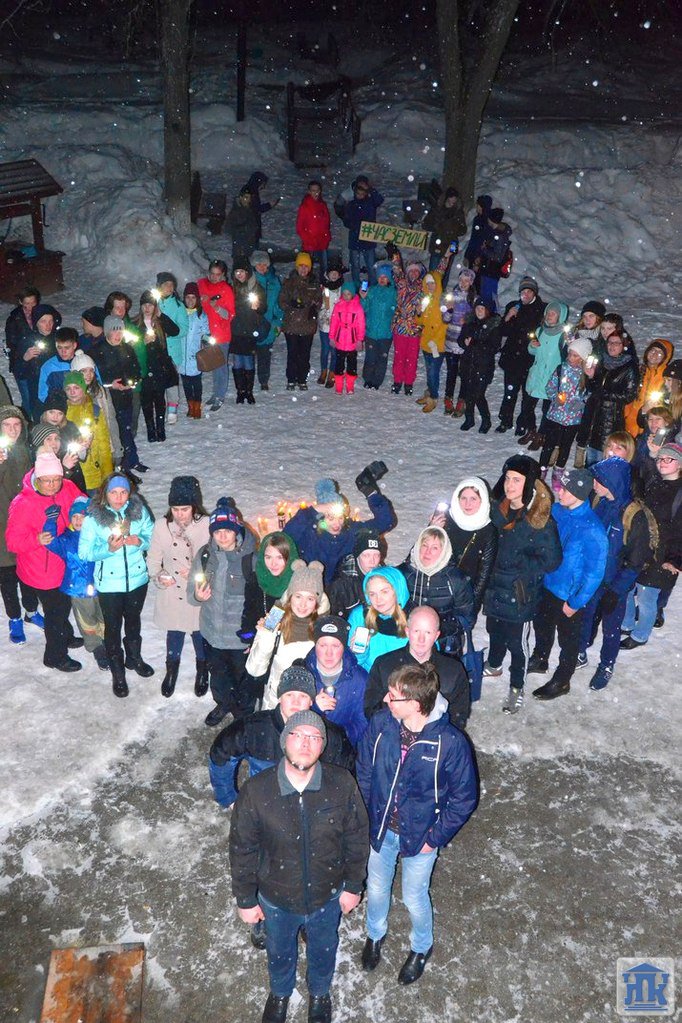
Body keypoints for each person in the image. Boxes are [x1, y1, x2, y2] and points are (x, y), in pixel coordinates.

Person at [229, 710, 368, 1023]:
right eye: (298, 735)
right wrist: (246, 899)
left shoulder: (341, 784)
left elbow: (357, 838)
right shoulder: (257, 791)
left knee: (323, 948)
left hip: (326, 896)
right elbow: (242, 849)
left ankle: (319, 992)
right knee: (279, 951)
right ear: (284, 741)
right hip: (276, 898)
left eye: (314, 737)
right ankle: (280, 993)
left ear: (322, 745)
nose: (306, 743)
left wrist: (353, 885)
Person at [356, 662, 477, 985]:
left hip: (421, 837)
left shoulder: (450, 743)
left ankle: (421, 947)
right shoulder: (381, 724)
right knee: (377, 888)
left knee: (413, 896)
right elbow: (365, 769)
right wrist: (368, 814)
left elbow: (464, 799)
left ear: (415, 704)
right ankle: (375, 934)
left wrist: (434, 838)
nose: (385, 700)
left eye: (393, 696)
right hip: (381, 828)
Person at [209, 663, 355, 807]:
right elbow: (220, 754)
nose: (296, 702)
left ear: (312, 701)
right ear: (279, 697)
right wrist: (228, 798)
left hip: (310, 810)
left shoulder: (332, 736)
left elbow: (346, 777)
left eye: (303, 696)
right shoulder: (253, 728)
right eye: (289, 694)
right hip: (264, 807)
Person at [483, 455, 562, 714]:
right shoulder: (496, 510)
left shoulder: (539, 519)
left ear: (529, 483)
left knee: (517, 645)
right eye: (507, 478)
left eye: (517, 480)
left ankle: (516, 687)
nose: (509, 485)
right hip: (495, 587)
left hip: (519, 594)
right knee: (494, 630)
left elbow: (552, 561)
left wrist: (520, 564)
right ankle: (494, 664)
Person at [527, 469, 608, 701]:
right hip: (547, 584)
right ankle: (540, 657)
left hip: (568, 595)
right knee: (542, 624)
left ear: (579, 493)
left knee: (569, 640)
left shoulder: (593, 530)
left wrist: (575, 602)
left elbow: (594, 573)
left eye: (565, 489)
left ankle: (562, 680)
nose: (559, 493)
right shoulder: (557, 511)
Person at [576, 456, 653, 691]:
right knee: (584, 617)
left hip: (615, 584)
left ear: (612, 482)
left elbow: (635, 562)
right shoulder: (598, 502)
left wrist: (616, 590)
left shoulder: (633, 516)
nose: (594, 484)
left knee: (611, 628)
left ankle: (606, 665)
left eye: (599, 480)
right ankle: (580, 651)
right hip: (592, 579)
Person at [6, 451, 85, 671]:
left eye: (56, 479)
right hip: (40, 570)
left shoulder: (67, 487)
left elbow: (82, 503)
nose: (52, 485)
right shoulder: (23, 503)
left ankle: (65, 636)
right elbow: (12, 542)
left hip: (64, 563)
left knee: (62, 606)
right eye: (47, 481)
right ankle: (55, 656)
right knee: (55, 613)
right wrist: (37, 539)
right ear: (37, 479)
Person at [78, 473, 154, 695]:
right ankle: (117, 671)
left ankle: (134, 658)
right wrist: (108, 549)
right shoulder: (94, 519)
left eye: (123, 492)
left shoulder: (139, 512)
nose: (119, 498)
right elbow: (84, 553)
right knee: (112, 628)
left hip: (137, 580)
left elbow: (152, 536)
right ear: (105, 493)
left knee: (133, 621)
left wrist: (140, 541)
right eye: (114, 492)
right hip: (110, 586)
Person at [187, 497, 256, 727]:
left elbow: (260, 601)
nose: (223, 536)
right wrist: (198, 597)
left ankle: (243, 716)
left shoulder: (252, 559)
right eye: (217, 531)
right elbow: (191, 593)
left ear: (237, 530)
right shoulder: (205, 555)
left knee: (243, 681)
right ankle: (223, 704)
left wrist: (254, 635)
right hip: (212, 634)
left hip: (239, 639)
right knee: (218, 677)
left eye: (227, 530)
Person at [147, 476, 210, 698]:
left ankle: (202, 669)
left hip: (198, 590)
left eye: (185, 509)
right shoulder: (161, 527)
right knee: (174, 632)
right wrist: (159, 575)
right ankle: (171, 670)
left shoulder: (206, 525)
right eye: (175, 509)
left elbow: (215, 559)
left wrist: (197, 572)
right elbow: (153, 559)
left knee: (199, 633)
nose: (180, 514)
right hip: (173, 592)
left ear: (194, 506)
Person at [364, 605, 471, 729]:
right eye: (416, 631)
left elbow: (458, 718)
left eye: (428, 632)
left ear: (436, 636)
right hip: (392, 734)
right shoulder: (384, 664)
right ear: (407, 632)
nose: (421, 639)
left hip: (435, 738)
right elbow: (371, 711)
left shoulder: (453, 670)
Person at [284, 467, 395, 584]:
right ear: (320, 517)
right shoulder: (309, 533)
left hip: (343, 591)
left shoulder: (351, 531)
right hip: (310, 588)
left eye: (340, 518)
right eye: (331, 518)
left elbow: (385, 522)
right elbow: (285, 537)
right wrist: (313, 510)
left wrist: (370, 493)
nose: (337, 523)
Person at [620, 443, 682, 650]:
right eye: (660, 459)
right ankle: (627, 623)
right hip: (641, 547)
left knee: (647, 597)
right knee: (627, 587)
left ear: (680, 464)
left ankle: (640, 635)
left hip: (662, 555)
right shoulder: (654, 482)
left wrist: (674, 559)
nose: (662, 463)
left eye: (668, 459)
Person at [249, 559, 327, 712]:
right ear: (290, 596)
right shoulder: (274, 617)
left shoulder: (325, 628)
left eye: (310, 598)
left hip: (308, 707)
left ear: (317, 602)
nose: (303, 604)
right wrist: (267, 635)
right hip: (274, 702)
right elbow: (254, 669)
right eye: (298, 596)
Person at [46, 496, 109, 670]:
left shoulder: (98, 537)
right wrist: (50, 522)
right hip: (78, 589)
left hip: (101, 586)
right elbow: (50, 542)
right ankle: (96, 647)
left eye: (82, 516)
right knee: (87, 620)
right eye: (74, 516)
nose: (78, 520)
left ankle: (106, 640)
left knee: (104, 616)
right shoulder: (66, 540)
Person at [0, 405, 42, 644]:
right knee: (7, 575)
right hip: (2, 526)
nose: (13, 429)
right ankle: (14, 617)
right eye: (7, 425)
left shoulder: (26, 450)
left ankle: (31, 611)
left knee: (27, 571)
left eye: (16, 425)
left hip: (25, 523)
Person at [398, 526, 475, 655]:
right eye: (424, 545)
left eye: (434, 548)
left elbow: (466, 618)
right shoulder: (405, 574)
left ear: (444, 551)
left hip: (444, 645)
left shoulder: (456, 579)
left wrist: (436, 630)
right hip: (408, 639)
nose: (427, 552)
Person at [430, 477, 498, 616]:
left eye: (473, 499)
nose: (467, 503)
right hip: (436, 590)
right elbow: (423, 552)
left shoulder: (488, 530)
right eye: (463, 498)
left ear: (482, 500)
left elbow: (483, 574)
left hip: (464, 595)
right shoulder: (446, 520)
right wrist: (432, 530)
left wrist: (471, 605)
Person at [89, 316, 144, 474]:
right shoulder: (96, 351)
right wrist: (109, 384)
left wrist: (131, 382)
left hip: (125, 397)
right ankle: (116, 465)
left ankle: (131, 461)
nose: (118, 335)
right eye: (115, 331)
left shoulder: (127, 349)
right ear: (107, 332)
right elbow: (94, 378)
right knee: (112, 433)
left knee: (126, 431)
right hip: (107, 400)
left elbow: (136, 370)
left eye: (120, 331)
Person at [305, 615, 369, 747]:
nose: (329, 653)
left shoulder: (360, 679)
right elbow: (292, 717)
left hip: (342, 750)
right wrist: (315, 708)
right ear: (315, 645)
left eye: (335, 646)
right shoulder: (302, 674)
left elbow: (362, 722)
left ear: (344, 647)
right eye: (323, 645)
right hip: (306, 747)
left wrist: (336, 739)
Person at [537, 337, 592, 491]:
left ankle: (558, 472)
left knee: (565, 446)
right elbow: (550, 387)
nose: (570, 358)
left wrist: (581, 402)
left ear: (583, 358)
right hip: (555, 415)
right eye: (570, 354)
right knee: (549, 445)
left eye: (575, 355)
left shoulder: (587, 374)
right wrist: (555, 398)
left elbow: (590, 392)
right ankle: (541, 471)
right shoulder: (561, 369)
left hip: (573, 419)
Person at [496, 276, 546, 434]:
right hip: (512, 358)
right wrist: (508, 317)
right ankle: (505, 420)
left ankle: (522, 423)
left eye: (529, 291)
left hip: (530, 360)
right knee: (509, 392)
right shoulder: (514, 307)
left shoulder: (542, 309)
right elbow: (503, 331)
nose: (526, 294)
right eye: (523, 291)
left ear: (534, 293)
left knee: (527, 395)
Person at [580, 329, 638, 467]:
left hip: (611, 419)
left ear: (624, 345)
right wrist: (591, 377)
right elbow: (593, 388)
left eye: (616, 343)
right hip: (594, 416)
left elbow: (629, 396)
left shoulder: (629, 367)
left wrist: (604, 394)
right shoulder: (602, 361)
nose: (612, 346)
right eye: (610, 342)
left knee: (604, 459)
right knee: (590, 461)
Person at [129, 290, 180, 443]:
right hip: (143, 367)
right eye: (144, 305)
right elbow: (129, 347)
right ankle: (150, 429)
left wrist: (161, 316)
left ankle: (160, 428)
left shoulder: (160, 322)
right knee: (146, 400)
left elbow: (175, 331)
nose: (147, 308)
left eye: (150, 305)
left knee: (159, 399)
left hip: (159, 367)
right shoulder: (134, 323)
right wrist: (142, 342)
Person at [518, 300, 570, 448]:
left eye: (553, 313)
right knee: (527, 406)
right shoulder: (540, 331)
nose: (549, 315)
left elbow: (568, 356)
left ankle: (541, 436)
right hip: (536, 374)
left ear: (560, 316)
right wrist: (532, 346)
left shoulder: (564, 335)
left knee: (547, 410)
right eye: (548, 312)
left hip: (552, 378)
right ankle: (531, 431)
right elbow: (532, 351)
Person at [347, 566, 409, 671]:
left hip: (406, 678)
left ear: (397, 590)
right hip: (369, 676)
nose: (378, 599)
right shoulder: (360, 616)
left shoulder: (415, 617)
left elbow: (429, 659)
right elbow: (350, 665)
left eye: (384, 592)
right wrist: (358, 653)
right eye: (372, 594)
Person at [63, 370, 114, 496]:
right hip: (70, 477)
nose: (72, 392)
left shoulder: (95, 411)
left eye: (76, 388)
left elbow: (103, 445)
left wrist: (107, 476)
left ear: (83, 388)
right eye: (68, 389)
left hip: (93, 475)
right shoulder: (60, 412)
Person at [278, 252, 323, 391]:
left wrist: (314, 306)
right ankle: (291, 379)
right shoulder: (289, 283)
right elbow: (281, 301)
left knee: (304, 354)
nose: (303, 269)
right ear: (297, 267)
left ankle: (302, 379)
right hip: (291, 325)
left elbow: (319, 301)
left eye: (306, 266)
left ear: (309, 268)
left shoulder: (314, 284)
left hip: (307, 325)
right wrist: (291, 305)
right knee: (292, 353)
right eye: (301, 266)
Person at [457, 295, 501, 433]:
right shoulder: (470, 323)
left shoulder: (493, 326)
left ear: (487, 310)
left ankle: (486, 420)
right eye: (477, 308)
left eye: (482, 308)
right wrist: (464, 342)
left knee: (478, 395)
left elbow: (494, 347)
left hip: (483, 367)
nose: (479, 311)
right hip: (468, 364)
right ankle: (469, 418)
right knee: (468, 394)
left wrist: (475, 343)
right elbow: (461, 339)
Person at [71, 349, 122, 467]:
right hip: (83, 450)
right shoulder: (70, 395)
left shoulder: (101, 392)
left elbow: (111, 420)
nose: (88, 375)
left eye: (91, 370)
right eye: (83, 371)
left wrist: (117, 447)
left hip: (103, 444)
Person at [414, 256, 452, 412]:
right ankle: (430, 392)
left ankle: (434, 398)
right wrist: (418, 313)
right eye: (428, 283)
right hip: (426, 342)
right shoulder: (425, 300)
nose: (430, 286)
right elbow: (419, 321)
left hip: (438, 344)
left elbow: (447, 319)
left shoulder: (443, 300)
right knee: (429, 370)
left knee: (433, 372)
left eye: (433, 283)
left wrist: (449, 309)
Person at [197, 260, 236, 411]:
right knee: (213, 364)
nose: (214, 277)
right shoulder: (202, 285)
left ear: (223, 275)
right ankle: (215, 393)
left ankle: (220, 395)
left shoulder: (226, 290)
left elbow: (230, 315)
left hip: (221, 334)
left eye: (217, 274)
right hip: (207, 333)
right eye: (212, 274)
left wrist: (217, 308)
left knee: (221, 366)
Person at [230, 258, 267, 405]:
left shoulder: (255, 287)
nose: (239, 274)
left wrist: (258, 306)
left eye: (242, 271)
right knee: (237, 361)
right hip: (236, 329)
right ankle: (240, 391)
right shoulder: (231, 288)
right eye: (237, 272)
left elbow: (263, 308)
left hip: (250, 329)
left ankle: (249, 391)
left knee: (248, 361)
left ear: (247, 273)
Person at [15, 303, 61, 419]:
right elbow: (19, 373)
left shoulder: (59, 340)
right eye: (43, 321)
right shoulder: (27, 341)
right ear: (36, 323)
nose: (48, 325)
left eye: (50, 321)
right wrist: (25, 359)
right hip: (37, 393)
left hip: (58, 391)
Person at [389, 250, 425, 396]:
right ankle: (397, 381)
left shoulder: (423, 287)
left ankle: (409, 382)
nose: (414, 273)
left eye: (417, 271)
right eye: (412, 271)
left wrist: (421, 312)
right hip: (400, 326)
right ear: (408, 272)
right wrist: (395, 256)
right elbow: (397, 270)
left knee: (412, 358)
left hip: (415, 328)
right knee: (399, 356)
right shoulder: (402, 283)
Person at [441, 267, 475, 416]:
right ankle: (448, 398)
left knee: (465, 372)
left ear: (471, 282)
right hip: (451, 340)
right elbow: (445, 319)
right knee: (451, 372)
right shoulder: (452, 296)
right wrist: (448, 310)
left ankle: (462, 400)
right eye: (461, 280)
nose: (463, 283)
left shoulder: (474, 298)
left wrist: (467, 320)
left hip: (465, 342)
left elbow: (478, 319)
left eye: (466, 280)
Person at [155, 271, 189, 424]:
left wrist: (171, 334)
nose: (169, 287)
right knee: (158, 379)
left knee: (171, 381)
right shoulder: (154, 304)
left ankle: (172, 408)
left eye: (171, 284)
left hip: (172, 349)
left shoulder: (178, 306)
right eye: (165, 284)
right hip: (157, 350)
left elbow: (184, 329)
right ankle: (159, 407)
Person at [327, 527, 382, 618]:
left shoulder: (385, 579)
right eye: (366, 555)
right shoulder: (341, 585)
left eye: (376, 555)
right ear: (357, 556)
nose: (372, 561)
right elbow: (335, 619)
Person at [624, 339, 674, 437]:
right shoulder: (639, 370)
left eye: (660, 353)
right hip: (630, 422)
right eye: (653, 350)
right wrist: (626, 414)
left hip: (652, 425)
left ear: (665, 358)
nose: (655, 354)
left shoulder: (667, 376)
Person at [360, 263, 397, 391]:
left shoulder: (393, 293)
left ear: (389, 278)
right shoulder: (371, 290)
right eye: (380, 276)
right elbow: (364, 309)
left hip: (385, 333)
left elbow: (396, 311)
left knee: (382, 358)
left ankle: (377, 380)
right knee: (370, 357)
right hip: (371, 331)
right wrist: (363, 298)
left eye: (385, 277)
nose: (382, 279)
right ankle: (367, 378)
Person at [342, 177, 384, 288]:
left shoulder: (370, 203)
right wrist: (355, 226)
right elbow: (346, 221)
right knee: (355, 266)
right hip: (355, 239)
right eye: (358, 193)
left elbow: (379, 199)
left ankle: (373, 286)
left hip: (368, 240)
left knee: (371, 266)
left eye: (362, 193)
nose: (360, 196)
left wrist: (370, 188)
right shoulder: (351, 205)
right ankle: (357, 287)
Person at [250, 251, 283, 392]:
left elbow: (279, 304)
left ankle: (263, 380)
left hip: (269, 323)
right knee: (249, 355)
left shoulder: (274, 281)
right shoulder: (250, 281)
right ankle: (248, 381)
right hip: (251, 323)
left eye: (264, 264)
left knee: (265, 354)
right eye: (259, 264)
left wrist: (278, 322)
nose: (262, 267)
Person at [422, 186, 466, 286]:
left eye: (455, 199)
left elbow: (463, 229)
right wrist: (438, 227)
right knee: (434, 269)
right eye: (451, 199)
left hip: (452, 243)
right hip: (438, 242)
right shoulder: (437, 209)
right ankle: (431, 288)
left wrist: (453, 229)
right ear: (446, 198)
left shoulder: (458, 212)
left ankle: (442, 288)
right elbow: (425, 224)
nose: (453, 202)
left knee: (446, 270)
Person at [329, 281, 365, 395]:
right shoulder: (338, 306)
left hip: (352, 341)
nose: (346, 296)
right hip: (340, 340)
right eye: (344, 294)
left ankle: (350, 386)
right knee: (339, 364)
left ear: (352, 294)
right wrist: (332, 337)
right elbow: (334, 322)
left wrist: (359, 340)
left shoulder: (358, 307)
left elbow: (361, 325)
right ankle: (339, 386)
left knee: (352, 364)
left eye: (348, 294)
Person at [179, 283, 208, 418]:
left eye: (193, 297)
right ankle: (190, 406)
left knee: (196, 383)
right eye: (188, 297)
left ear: (197, 299)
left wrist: (207, 341)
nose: (190, 300)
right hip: (182, 357)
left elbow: (206, 332)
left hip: (195, 356)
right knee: (185, 383)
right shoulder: (180, 314)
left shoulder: (201, 316)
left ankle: (197, 407)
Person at [5, 287, 40, 397]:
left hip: (39, 364)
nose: (30, 307)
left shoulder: (41, 315)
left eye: (33, 303)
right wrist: (23, 359)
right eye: (27, 304)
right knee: (27, 398)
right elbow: (12, 346)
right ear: (20, 302)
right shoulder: (14, 320)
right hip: (22, 365)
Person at [316, 256, 344, 388]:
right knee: (325, 350)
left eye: (336, 273)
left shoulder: (341, 288)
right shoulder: (323, 287)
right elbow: (318, 302)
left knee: (334, 351)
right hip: (325, 324)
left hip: (337, 326)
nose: (334, 275)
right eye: (331, 273)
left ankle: (332, 373)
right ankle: (323, 371)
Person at [478, 207, 512, 312]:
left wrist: (485, 250)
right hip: (488, 269)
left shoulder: (500, 236)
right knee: (485, 295)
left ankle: (492, 314)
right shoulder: (496, 233)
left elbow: (497, 257)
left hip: (492, 271)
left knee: (489, 297)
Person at [295, 180, 331, 275]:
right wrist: (308, 239)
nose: (316, 193)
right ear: (309, 191)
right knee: (306, 267)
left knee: (324, 267)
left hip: (322, 241)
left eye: (317, 190)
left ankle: (323, 283)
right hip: (309, 243)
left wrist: (326, 236)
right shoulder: (305, 206)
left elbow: (326, 223)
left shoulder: (322, 205)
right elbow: (299, 227)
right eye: (313, 190)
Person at [37, 326, 79, 405]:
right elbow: (42, 395)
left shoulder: (84, 363)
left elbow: (95, 387)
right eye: (59, 348)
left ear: (74, 345)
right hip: (58, 408)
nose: (63, 352)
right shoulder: (48, 367)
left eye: (67, 348)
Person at [242, 169, 280, 243]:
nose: (264, 187)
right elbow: (255, 209)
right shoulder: (250, 192)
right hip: (249, 229)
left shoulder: (249, 191)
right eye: (263, 184)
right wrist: (270, 205)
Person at [226, 186, 260, 265]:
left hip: (250, 245)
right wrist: (242, 230)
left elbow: (254, 225)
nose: (248, 200)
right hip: (240, 247)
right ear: (241, 197)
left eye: (249, 198)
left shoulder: (250, 209)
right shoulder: (236, 211)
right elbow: (228, 228)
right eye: (246, 197)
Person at [463, 194, 492, 268]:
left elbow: (485, 240)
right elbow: (473, 238)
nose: (476, 206)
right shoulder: (477, 219)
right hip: (473, 254)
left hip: (482, 256)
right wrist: (467, 255)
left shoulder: (488, 221)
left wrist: (479, 255)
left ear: (482, 206)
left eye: (478, 205)